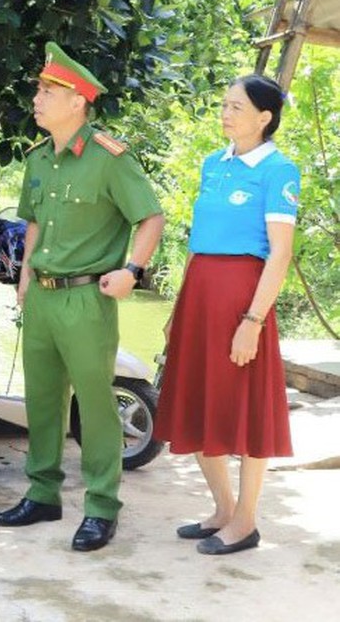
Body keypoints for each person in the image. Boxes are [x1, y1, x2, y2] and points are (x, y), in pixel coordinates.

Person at [0, 43, 165, 552]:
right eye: (40, 89)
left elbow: (150, 216)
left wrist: (132, 270)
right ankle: (43, 493)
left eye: (48, 91)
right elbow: (35, 221)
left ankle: (101, 507)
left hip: (88, 298)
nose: (38, 98)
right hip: (42, 297)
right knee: (41, 402)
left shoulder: (111, 159)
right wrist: (24, 275)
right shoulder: (39, 158)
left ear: (78, 102)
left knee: (95, 406)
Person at [154, 75, 298, 556]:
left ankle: (246, 522)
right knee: (198, 402)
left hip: (243, 303)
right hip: (199, 298)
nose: (226, 113)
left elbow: (279, 255)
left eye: (237, 107)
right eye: (224, 104)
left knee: (248, 413)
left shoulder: (279, 171)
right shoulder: (213, 164)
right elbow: (198, 245)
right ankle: (222, 509)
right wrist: (178, 308)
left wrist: (252, 322)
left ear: (264, 117)